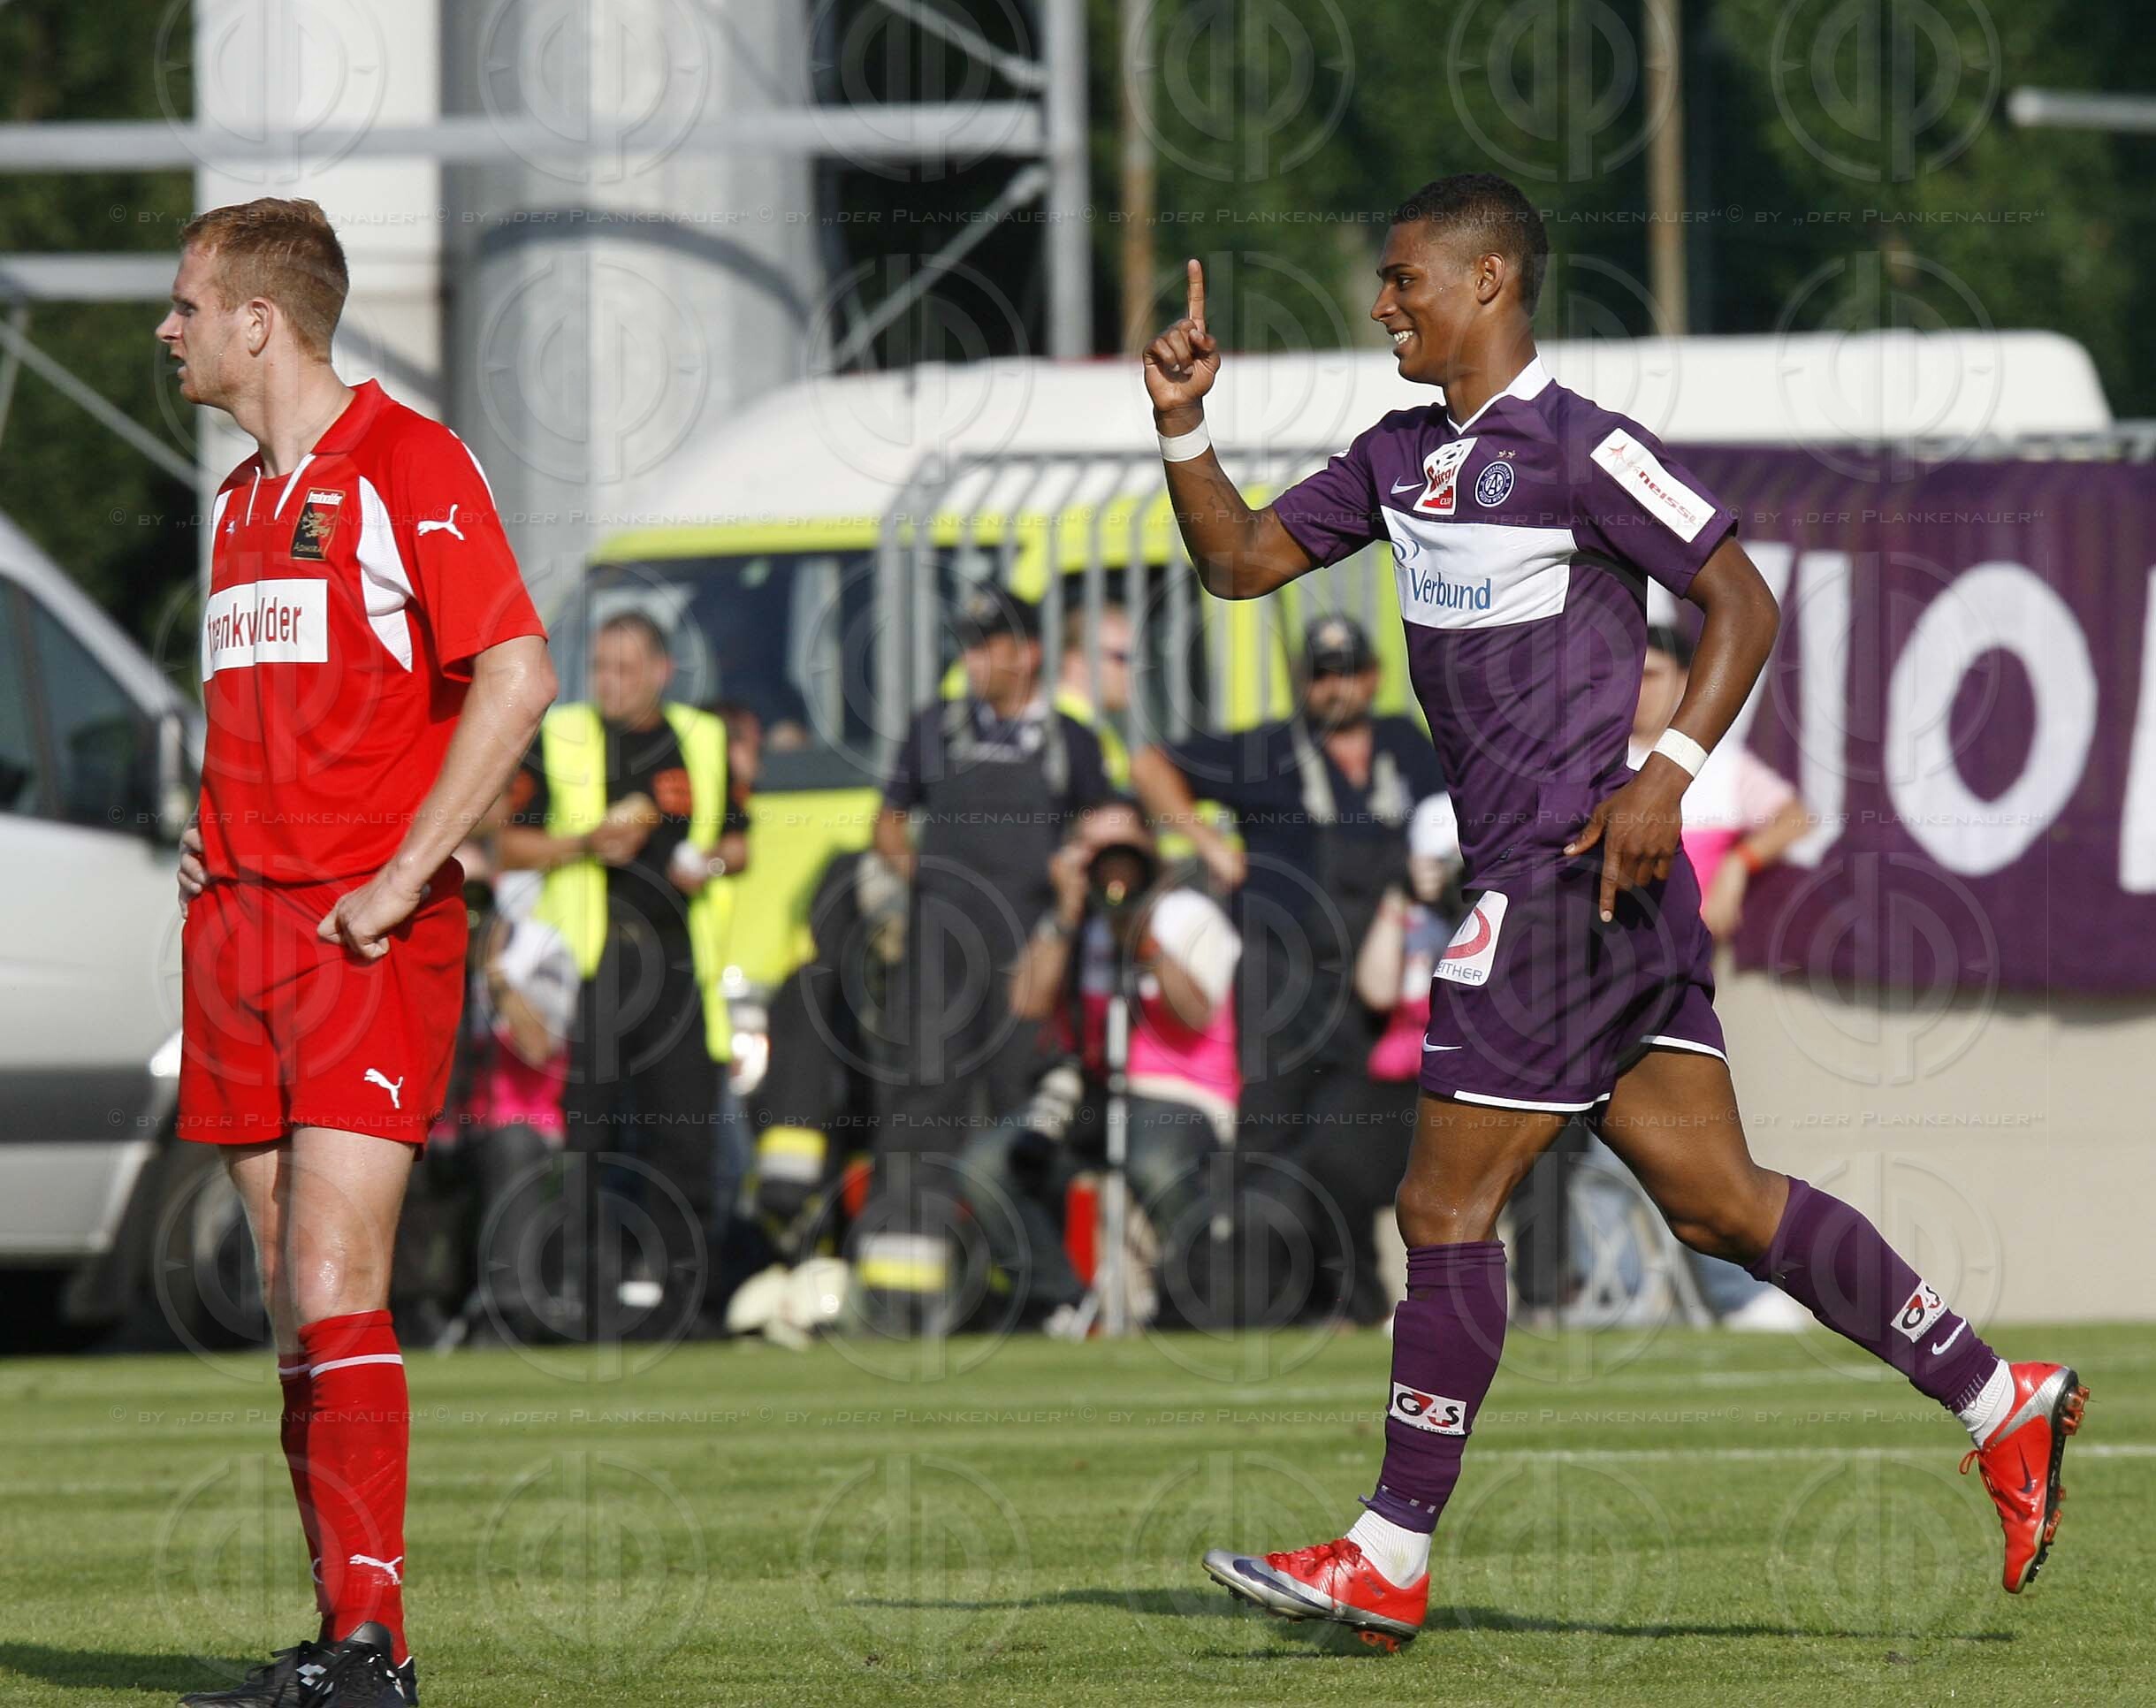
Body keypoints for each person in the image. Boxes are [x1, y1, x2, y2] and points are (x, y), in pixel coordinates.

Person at [1142, 173, 2085, 1646]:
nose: (1379, 304)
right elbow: (1237, 560)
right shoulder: (1397, 459)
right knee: (1715, 1202)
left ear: (1487, 279)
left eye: (1402, 281)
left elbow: (1742, 602)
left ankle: (1387, 1547)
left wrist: (1665, 774)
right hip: (1583, 900)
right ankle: (1994, 1393)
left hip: (1563, 882)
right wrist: (1181, 424)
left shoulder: (1580, 449)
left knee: (1442, 1201)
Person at [165, 197, 555, 1706]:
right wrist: (212, 837)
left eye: (190, 304)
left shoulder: (410, 461)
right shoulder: (235, 506)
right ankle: (334, 1633)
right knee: (285, 1288)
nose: (172, 327)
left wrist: (402, 877)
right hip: (237, 930)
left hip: (356, 935)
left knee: (338, 1268)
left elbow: (515, 675)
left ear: (260, 321)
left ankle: (373, 1649)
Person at [1131, 613, 1442, 1321]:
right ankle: (1272, 1292)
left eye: (1346, 672)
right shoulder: (1269, 749)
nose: (1334, 688)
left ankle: (1360, 1295)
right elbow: (1149, 765)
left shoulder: (1403, 744)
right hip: (1283, 977)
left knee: (1355, 1140)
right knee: (1273, 1133)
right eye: (1320, 674)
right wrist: (1208, 846)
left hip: (1377, 982)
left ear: (1372, 677)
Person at [864, 584, 1113, 1323]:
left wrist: (1070, 895)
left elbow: (1102, 838)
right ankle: (900, 1298)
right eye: (967, 646)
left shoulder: (1073, 744)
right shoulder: (934, 730)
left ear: (1028, 653)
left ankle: (1036, 1294)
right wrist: (922, 882)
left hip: (1026, 970)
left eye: (986, 646)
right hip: (937, 958)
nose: (972, 660)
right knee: (917, 1117)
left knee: (1020, 1122)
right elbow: (888, 821)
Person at [497, 613, 749, 1337]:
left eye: (626, 668)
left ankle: (687, 1309)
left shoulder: (700, 739)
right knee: (588, 1140)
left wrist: (713, 865)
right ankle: (586, 1299)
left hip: (677, 963)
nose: (609, 682)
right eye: (601, 666)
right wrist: (583, 844)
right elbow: (507, 842)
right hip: (595, 964)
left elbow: (740, 841)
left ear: (662, 672)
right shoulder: (563, 734)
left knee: (684, 1142)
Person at [957, 801, 1240, 1331]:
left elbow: (1196, 1012)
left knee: (1153, 1165)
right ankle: (1057, 1297)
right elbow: (1026, 1002)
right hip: (1095, 1095)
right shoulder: (1073, 924)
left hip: (1180, 1093)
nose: (1111, 867)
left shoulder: (1190, 914)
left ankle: (1196, 1303)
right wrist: (1067, 913)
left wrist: (1142, 935)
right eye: (1094, 850)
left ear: (1151, 854)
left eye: (1123, 850)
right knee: (987, 1168)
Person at [1054, 601, 1134, 788]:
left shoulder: (1092, 724)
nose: (1133, 671)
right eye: (1121, 658)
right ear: (1077, 660)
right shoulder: (1063, 728)